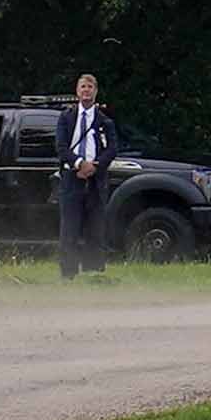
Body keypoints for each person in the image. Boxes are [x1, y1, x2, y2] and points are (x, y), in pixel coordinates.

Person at [53, 73, 118, 280]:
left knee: (95, 229)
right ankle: (68, 275)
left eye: (90, 87)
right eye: (82, 86)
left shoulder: (105, 121)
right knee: (69, 230)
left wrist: (95, 166)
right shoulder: (66, 118)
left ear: (95, 91)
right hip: (72, 179)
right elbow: (61, 147)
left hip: (95, 181)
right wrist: (79, 163)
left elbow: (113, 148)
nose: (86, 90)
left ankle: (93, 274)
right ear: (77, 91)